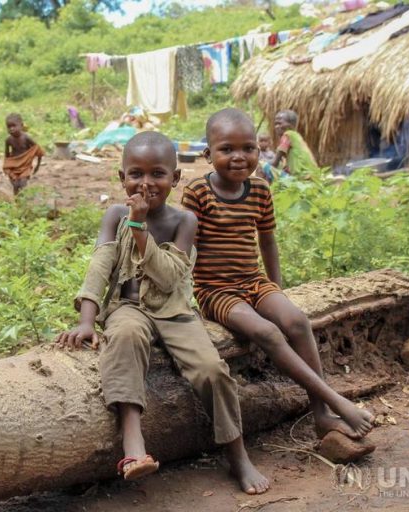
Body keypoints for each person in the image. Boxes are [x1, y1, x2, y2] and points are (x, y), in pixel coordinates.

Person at [55, 131, 270, 495]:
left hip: (174, 312)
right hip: (128, 307)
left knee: (212, 370)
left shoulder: (184, 221)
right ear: (121, 178)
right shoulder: (113, 214)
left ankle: (237, 454)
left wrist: (139, 228)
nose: (146, 183)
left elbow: (169, 277)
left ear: (175, 178)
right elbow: (99, 266)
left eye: (157, 173)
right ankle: (133, 444)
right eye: (135, 174)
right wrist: (87, 321)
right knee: (123, 337)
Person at [182, 108, 374, 452]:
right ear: (208, 154)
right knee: (268, 332)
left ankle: (321, 415)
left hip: (254, 282)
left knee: (297, 321)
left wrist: (277, 289)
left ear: (259, 151)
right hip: (216, 290)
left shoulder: (259, 189)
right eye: (227, 149)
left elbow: (267, 240)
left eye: (249, 148)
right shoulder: (197, 191)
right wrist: (184, 301)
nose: (239, 157)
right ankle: (335, 400)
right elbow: (185, 249)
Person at [3, 113, 44, 196]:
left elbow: (38, 150)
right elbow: (7, 155)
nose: (11, 129)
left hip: (25, 165)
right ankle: (17, 203)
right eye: (9, 127)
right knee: (15, 184)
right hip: (14, 166)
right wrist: (7, 167)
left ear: (21, 125)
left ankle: (23, 202)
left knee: (22, 184)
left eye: (14, 126)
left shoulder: (26, 138)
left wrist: (37, 166)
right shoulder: (8, 140)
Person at [271, 109, 321, 178]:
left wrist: (265, 166)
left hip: (303, 176)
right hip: (313, 174)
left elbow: (275, 162)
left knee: (264, 166)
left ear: (291, 125)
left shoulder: (287, 135)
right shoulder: (297, 136)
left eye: (280, 123)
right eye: (275, 124)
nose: (276, 126)